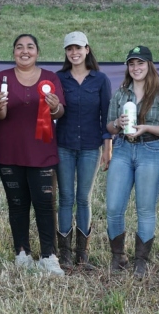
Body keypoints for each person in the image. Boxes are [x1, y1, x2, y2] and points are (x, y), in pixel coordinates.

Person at [0, 34, 66, 276]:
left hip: (41, 152)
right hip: (9, 151)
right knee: (17, 204)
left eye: (30, 47)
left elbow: (59, 112)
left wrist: (54, 107)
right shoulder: (2, 78)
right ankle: (21, 253)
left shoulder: (50, 78)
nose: (25, 51)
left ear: (37, 52)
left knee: (45, 205)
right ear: (13, 52)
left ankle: (49, 256)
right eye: (19, 47)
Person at [105, 45, 159, 279]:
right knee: (114, 207)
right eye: (132, 63)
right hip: (123, 149)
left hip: (150, 150)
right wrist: (117, 122)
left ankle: (141, 261)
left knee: (145, 209)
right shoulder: (120, 94)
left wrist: (146, 127)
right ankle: (118, 256)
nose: (136, 68)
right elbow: (108, 126)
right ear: (127, 67)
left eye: (140, 63)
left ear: (149, 66)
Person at [54, 31, 112, 270]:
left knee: (84, 198)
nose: (74, 52)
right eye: (70, 49)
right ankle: (65, 253)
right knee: (66, 198)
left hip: (90, 147)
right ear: (66, 53)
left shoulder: (100, 80)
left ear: (87, 49)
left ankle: (82, 254)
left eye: (78, 48)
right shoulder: (59, 79)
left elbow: (106, 116)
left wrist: (107, 149)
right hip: (64, 146)